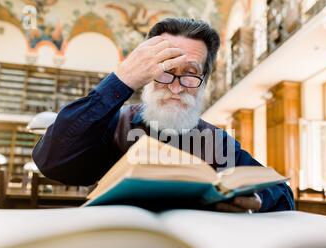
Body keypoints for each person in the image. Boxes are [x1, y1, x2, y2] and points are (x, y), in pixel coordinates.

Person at [32, 17, 295, 213]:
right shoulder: (112, 124)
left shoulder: (217, 141)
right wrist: (122, 78)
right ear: (146, 72)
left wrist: (258, 199)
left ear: (205, 80)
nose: (177, 87)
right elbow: (51, 161)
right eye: (165, 70)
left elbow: (283, 195)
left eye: (190, 73)